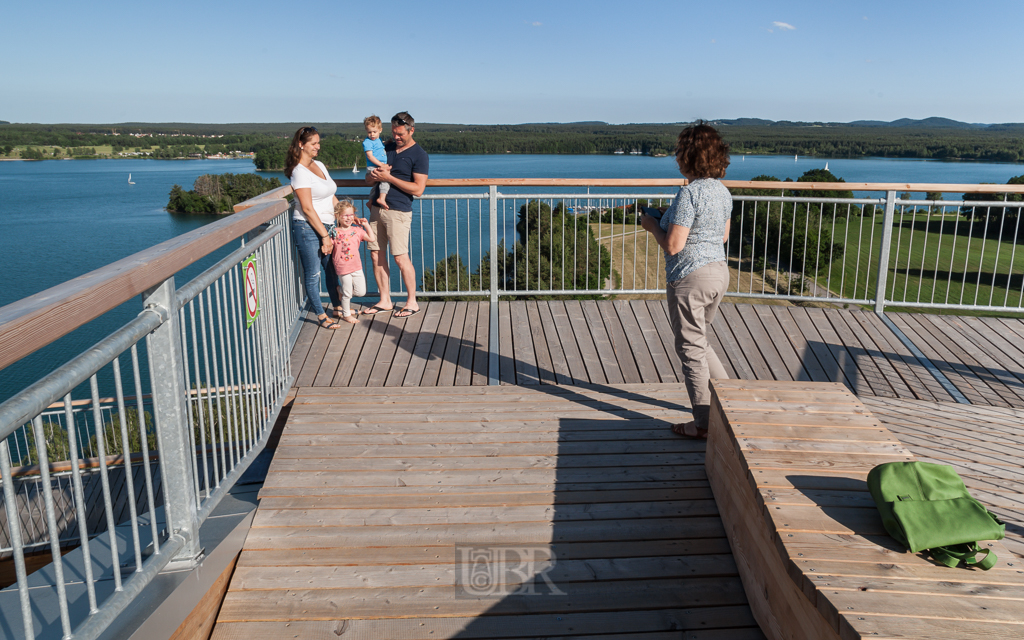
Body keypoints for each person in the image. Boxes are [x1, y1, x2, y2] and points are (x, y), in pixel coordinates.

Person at [640, 121, 732, 439]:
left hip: (690, 277)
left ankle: (704, 424)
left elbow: (674, 245)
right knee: (700, 341)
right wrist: (671, 215)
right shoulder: (722, 193)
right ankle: (731, 405)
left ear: (686, 157)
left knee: (690, 349)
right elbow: (721, 236)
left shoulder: (689, 194)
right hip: (718, 273)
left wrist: (652, 224)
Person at [363, 112, 429, 319]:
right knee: (376, 255)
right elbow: (367, 180)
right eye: (393, 132)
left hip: (398, 211)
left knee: (400, 257)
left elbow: (418, 189)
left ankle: (412, 302)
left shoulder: (419, 155)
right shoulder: (386, 147)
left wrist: (388, 177)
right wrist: (373, 176)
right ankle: (385, 301)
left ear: (411, 130)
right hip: (376, 208)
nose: (396, 137)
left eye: (400, 133)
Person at [285, 126, 343, 329]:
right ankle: (320, 315)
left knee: (331, 269)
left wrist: (345, 214)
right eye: (314, 143)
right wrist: (325, 236)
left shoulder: (318, 164)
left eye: (319, 142)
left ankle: (337, 307)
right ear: (301, 145)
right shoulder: (299, 172)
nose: (318, 146)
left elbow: (330, 195)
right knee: (313, 274)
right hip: (307, 228)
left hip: (326, 225)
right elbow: (308, 209)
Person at [330, 198, 376, 324]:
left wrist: (366, 224)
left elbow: (371, 238)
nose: (349, 218)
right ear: (338, 216)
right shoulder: (334, 232)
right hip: (342, 268)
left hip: (356, 266)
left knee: (361, 292)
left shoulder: (357, 230)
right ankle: (346, 314)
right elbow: (329, 246)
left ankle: (339, 290)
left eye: (351, 215)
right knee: (347, 294)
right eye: (345, 215)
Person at [362, 115, 391, 210]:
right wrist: (381, 165)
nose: (372, 134)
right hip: (373, 166)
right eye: (369, 132)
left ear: (380, 130)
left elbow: (379, 148)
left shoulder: (378, 140)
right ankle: (382, 198)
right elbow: (370, 156)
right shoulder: (367, 142)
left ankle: (370, 201)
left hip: (377, 165)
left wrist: (387, 143)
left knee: (376, 185)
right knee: (386, 178)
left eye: (374, 132)